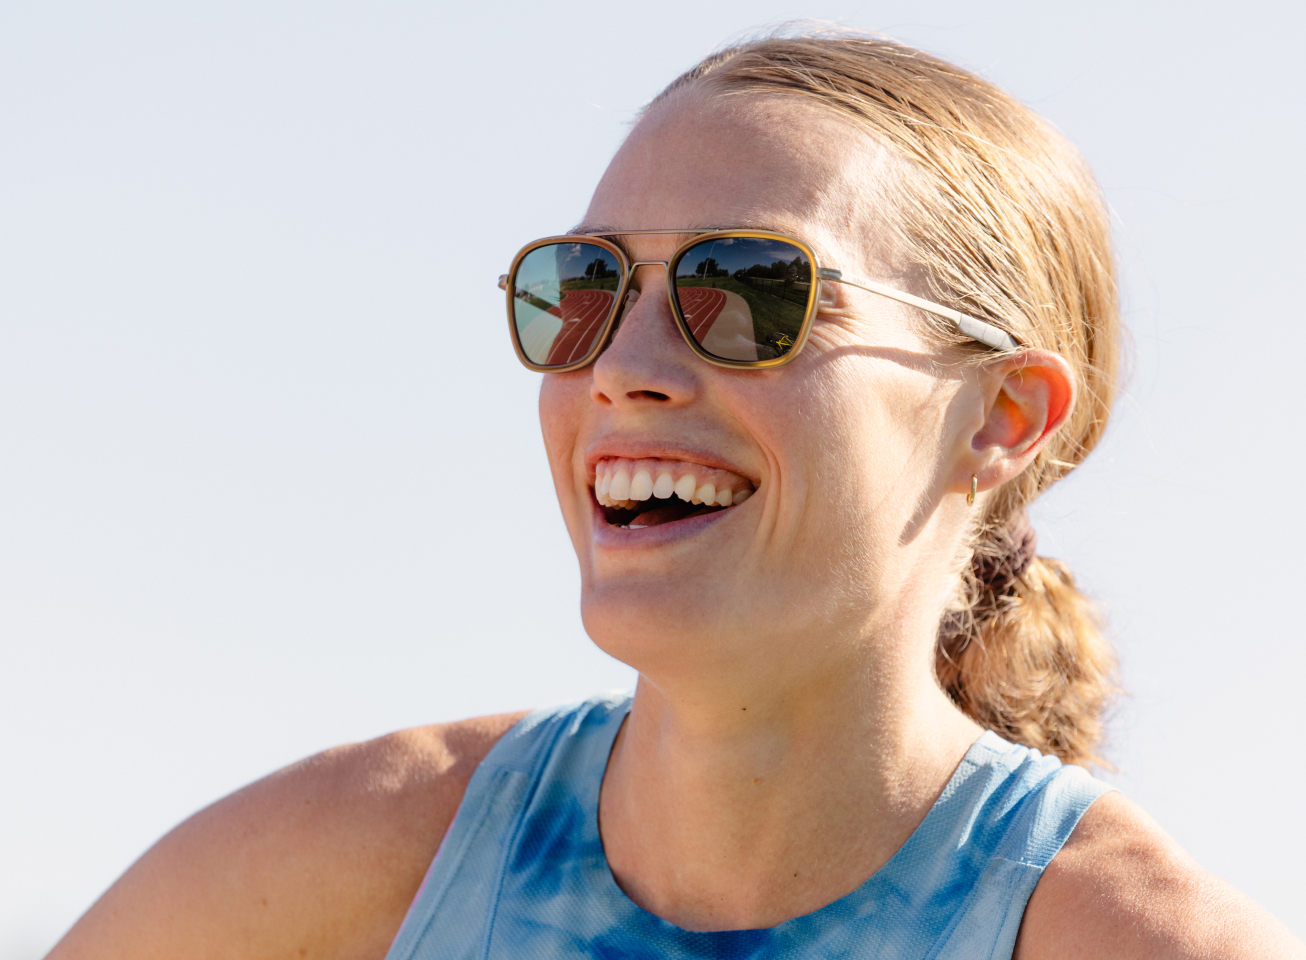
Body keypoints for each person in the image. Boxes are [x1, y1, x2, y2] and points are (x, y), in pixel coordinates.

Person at [48, 30, 1304, 960]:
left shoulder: (1135, 940)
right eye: (583, 288)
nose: (624, 372)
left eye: (749, 291)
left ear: (1002, 417)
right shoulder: (344, 867)